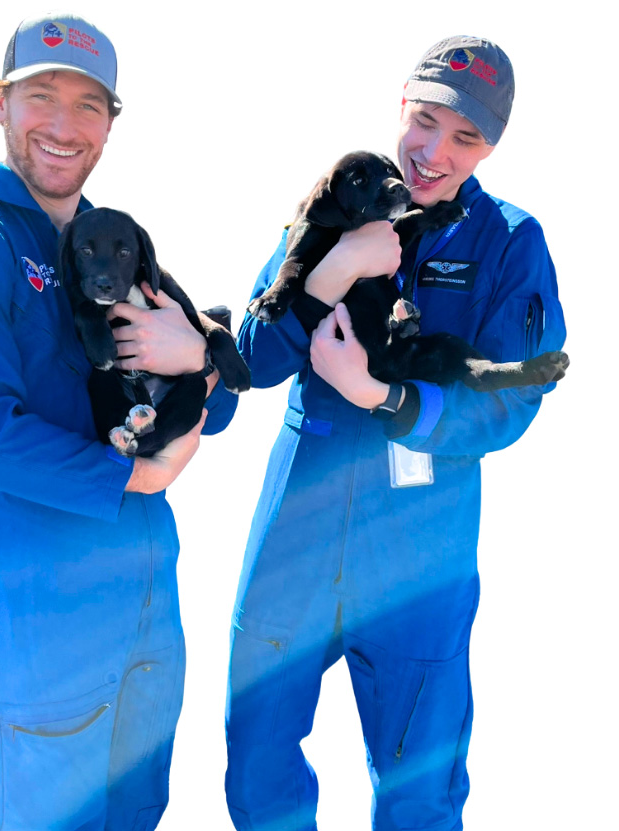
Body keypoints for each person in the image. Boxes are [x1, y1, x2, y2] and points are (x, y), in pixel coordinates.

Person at [0, 12, 237, 831]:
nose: (63, 125)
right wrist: (136, 474)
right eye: (40, 96)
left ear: (112, 125)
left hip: (149, 598)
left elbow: (195, 408)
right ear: (0, 104)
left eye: (89, 106)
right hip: (47, 616)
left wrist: (199, 359)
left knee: (137, 812)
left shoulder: (106, 242)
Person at [225, 36, 566, 831]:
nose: (433, 153)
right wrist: (331, 272)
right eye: (425, 122)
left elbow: (508, 405)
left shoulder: (508, 243)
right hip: (297, 535)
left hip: (419, 553)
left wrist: (382, 396)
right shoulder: (331, 205)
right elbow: (251, 357)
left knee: (419, 785)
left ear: (493, 145)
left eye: (465, 137)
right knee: (258, 759)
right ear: (399, 107)